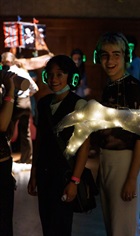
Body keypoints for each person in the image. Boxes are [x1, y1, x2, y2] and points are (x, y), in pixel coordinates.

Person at [92, 32, 140, 236]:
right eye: (105, 55)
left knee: (124, 228)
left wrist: (132, 178)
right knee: (116, 226)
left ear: (126, 57)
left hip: (126, 161)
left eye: (116, 54)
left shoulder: (133, 87)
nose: (110, 60)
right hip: (109, 160)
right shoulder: (109, 87)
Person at [27, 55, 90, 236]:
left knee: (61, 225)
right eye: (50, 74)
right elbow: (40, 140)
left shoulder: (78, 104)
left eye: (60, 74)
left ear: (70, 76)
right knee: (47, 224)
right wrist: (34, 173)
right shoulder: (44, 103)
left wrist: (74, 181)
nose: (54, 79)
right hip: (44, 173)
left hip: (63, 176)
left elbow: (84, 146)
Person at [1, 52, 39, 164]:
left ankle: (6, 157)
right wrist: (27, 95)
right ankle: (27, 159)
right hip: (26, 103)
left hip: (15, 103)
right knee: (25, 132)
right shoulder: (23, 71)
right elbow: (35, 88)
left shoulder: (7, 73)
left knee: (7, 131)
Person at [0, 68, 17, 236]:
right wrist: (10, 90)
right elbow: (2, 125)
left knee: (4, 223)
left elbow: (7, 131)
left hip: (4, 165)